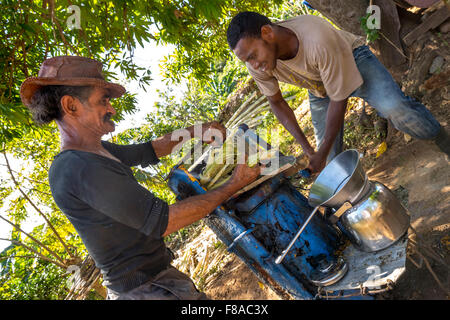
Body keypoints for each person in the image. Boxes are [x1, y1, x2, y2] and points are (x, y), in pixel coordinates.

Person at [20, 56, 261, 300]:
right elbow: (164, 222)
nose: (112, 109)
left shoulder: (96, 152)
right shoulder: (77, 167)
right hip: (146, 291)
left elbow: (152, 149)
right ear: (71, 105)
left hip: (156, 282)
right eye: (103, 101)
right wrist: (235, 183)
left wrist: (196, 132)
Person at [227, 12, 449, 174]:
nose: (254, 65)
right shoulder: (255, 62)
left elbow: (339, 96)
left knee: (396, 109)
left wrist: (321, 152)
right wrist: (310, 151)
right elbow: (276, 102)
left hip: (353, 59)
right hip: (319, 85)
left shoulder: (316, 38)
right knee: (330, 161)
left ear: (267, 33)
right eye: (247, 60)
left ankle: (441, 139)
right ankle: (355, 201)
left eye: (253, 56)